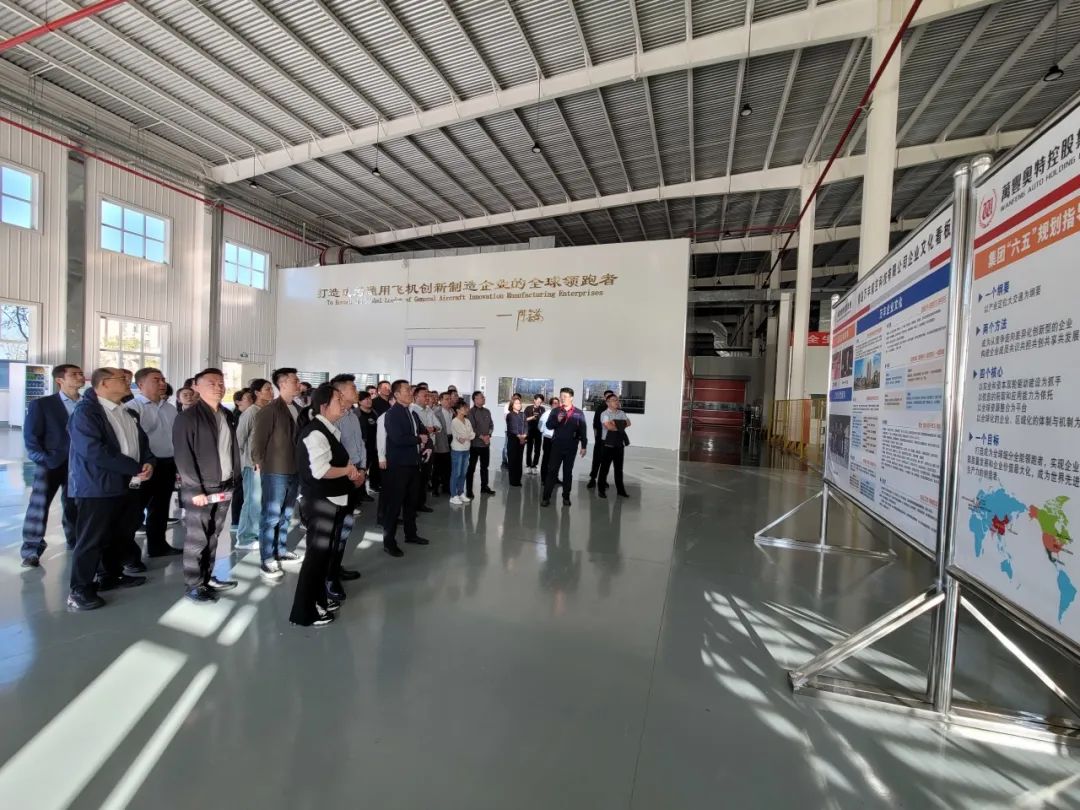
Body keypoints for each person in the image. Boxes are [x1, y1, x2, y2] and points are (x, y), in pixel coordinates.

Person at [66, 368, 154, 611]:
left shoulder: (126, 411)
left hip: (128, 484)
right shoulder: (87, 412)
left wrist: (149, 462)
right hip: (97, 487)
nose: (128, 382)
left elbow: (142, 443)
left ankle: (110, 575)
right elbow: (93, 450)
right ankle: (80, 589)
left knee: (120, 534)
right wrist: (135, 467)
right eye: (122, 379)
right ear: (104, 383)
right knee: (92, 539)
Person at [290, 383, 367, 627]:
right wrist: (348, 470)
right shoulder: (315, 433)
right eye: (338, 400)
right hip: (321, 503)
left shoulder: (328, 429)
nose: (344, 405)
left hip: (332, 501)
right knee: (315, 558)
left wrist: (351, 475)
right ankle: (305, 612)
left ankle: (319, 600)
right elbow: (321, 470)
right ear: (324, 406)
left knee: (323, 557)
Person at [173, 368, 240, 602]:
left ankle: (207, 578)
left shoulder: (225, 414)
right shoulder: (188, 417)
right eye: (211, 383)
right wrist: (194, 489)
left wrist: (234, 479)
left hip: (224, 484)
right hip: (201, 489)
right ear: (197, 387)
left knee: (213, 535)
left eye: (221, 383)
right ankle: (194, 584)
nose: (218, 387)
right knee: (197, 538)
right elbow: (183, 456)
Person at [20, 363, 83, 567]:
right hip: (51, 463)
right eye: (74, 374)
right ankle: (31, 549)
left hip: (79, 463)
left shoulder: (87, 404)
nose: (80, 377)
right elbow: (31, 437)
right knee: (39, 506)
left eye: (81, 373)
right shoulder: (43, 404)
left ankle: (75, 541)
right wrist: (43, 459)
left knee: (74, 505)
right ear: (59, 380)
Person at [251, 367, 303, 582]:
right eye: (295, 381)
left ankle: (280, 550)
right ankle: (267, 558)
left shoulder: (298, 409)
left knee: (286, 514)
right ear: (282, 384)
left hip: (295, 469)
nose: (298, 384)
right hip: (275, 471)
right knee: (271, 516)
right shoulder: (270, 410)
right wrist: (260, 464)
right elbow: (258, 442)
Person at [125, 367, 182, 558]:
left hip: (167, 464)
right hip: (143, 467)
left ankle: (158, 546)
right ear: (140, 384)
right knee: (134, 510)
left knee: (160, 507)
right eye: (156, 380)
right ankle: (127, 555)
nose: (162, 383)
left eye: (163, 379)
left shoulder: (170, 408)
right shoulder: (133, 407)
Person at [380, 379, 429, 557]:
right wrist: (418, 439)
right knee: (394, 505)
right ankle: (389, 542)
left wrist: (424, 438)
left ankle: (411, 534)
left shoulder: (411, 412)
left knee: (411, 503)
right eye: (407, 390)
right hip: (398, 466)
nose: (410, 393)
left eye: (410, 390)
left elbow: (422, 430)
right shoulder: (392, 414)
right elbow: (397, 438)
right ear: (397, 394)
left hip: (413, 464)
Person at [328, 374, 366, 590]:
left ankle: (336, 566)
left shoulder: (352, 415)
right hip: (342, 475)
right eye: (353, 387)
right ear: (340, 393)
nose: (356, 391)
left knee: (346, 525)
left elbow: (360, 444)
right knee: (335, 527)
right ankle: (329, 574)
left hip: (355, 473)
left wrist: (363, 469)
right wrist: (353, 472)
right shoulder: (334, 418)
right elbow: (336, 452)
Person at [235, 377, 272, 550]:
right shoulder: (251, 413)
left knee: (262, 501)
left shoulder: (269, 411)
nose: (271, 392)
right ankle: (245, 538)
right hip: (252, 465)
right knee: (252, 501)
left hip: (268, 464)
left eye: (271, 388)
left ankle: (257, 533)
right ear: (257, 393)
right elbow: (239, 440)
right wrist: (249, 461)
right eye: (267, 389)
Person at [541, 387, 588, 508]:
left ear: (571, 398)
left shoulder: (578, 413)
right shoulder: (555, 411)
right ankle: (546, 497)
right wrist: (557, 420)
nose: (562, 399)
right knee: (552, 471)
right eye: (561, 396)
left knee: (568, 472)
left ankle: (566, 497)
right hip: (557, 446)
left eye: (565, 396)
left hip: (571, 446)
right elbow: (549, 426)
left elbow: (583, 430)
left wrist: (584, 446)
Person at [596, 393, 631, 499]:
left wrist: (615, 423)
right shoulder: (604, 414)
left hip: (619, 444)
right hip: (607, 444)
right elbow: (609, 427)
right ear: (608, 403)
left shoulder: (621, 412)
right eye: (613, 400)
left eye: (617, 400)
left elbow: (628, 423)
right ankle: (601, 490)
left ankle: (620, 490)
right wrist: (620, 425)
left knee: (619, 469)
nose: (616, 401)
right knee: (604, 468)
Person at [228, 388, 254, 529]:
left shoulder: (250, 414)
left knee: (246, 492)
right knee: (240, 491)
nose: (251, 400)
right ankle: (236, 522)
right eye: (247, 398)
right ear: (238, 402)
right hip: (240, 460)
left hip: (246, 460)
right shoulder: (237, 417)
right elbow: (239, 441)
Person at [410, 387, 437, 513]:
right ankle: (412, 506)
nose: (428, 398)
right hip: (414, 450)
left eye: (428, 395)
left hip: (428, 447)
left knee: (425, 477)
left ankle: (421, 503)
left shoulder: (428, 410)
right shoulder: (411, 411)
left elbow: (436, 428)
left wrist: (430, 430)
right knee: (415, 480)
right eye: (425, 395)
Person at [466, 390, 495, 498]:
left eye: (483, 397)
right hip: (474, 445)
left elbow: (491, 425)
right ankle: (469, 490)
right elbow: (472, 428)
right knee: (471, 468)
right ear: (475, 399)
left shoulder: (487, 411)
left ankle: (484, 487)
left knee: (485, 466)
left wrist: (489, 435)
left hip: (485, 445)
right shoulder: (471, 412)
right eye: (481, 397)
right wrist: (482, 437)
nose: (484, 398)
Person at [587, 390, 615, 489]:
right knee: (597, 459)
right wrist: (597, 438)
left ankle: (603, 480)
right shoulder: (600, 408)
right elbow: (595, 424)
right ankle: (592, 479)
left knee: (606, 461)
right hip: (600, 439)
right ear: (604, 398)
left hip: (610, 439)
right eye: (607, 396)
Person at [449, 400, 474, 505]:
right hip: (457, 450)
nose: (467, 409)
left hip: (466, 450)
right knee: (456, 473)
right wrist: (467, 436)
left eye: (467, 407)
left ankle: (460, 492)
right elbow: (461, 438)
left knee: (463, 473)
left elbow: (472, 434)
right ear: (458, 410)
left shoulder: (467, 421)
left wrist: (466, 436)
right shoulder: (455, 421)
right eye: (464, 408)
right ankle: (453, 495)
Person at [356, 389, 379, 496]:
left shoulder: (374, 413)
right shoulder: (356, 414)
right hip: (362, 446)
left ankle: (373, 486)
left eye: (370, 398)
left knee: (373, 467)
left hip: (374, 446)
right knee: (361, 470)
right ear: (359, 401)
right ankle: (361, 493)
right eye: (366, 399)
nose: (369, 401)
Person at [431, 391, 453, 496]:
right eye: (446, 399)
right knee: (438, 467)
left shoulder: (453, 412)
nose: (449, 401)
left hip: (451, 439)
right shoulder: (436, 412)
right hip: (440, 441)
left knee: (448, 466)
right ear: (440, 400)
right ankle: (435, 489)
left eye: (450, 399)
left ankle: (446, 487)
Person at [505, 395, 527, 487]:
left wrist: (524, 436)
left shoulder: (523, 414)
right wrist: (520, 437)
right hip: (513, 440)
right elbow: (512, 428)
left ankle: (518, 479)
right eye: (516, 403)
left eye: (519, 403)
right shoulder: (510, 415)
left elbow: (526, 426)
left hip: (522, 440)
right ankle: (513, 480)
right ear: (512, 405)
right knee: (512, 460)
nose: (518, 405)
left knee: (519, 460)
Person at [539, 396, 559, 484]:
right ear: (551, 404)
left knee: (556, 460)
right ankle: (544, 479)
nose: (556, 405)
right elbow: (540, 426)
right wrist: (545, 432)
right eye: (554, 403)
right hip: (548, 439)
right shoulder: (546, 414)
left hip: (557, 440)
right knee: (546, 459)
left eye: (557, 403)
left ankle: (555, 478)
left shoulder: (560, 414)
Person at [524, 394, 546, 474]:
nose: (539, 403)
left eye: (541, 402)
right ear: (534, 400)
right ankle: (528, 465)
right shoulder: (528, 408)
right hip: (529, 431)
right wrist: (532, 417)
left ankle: (534, 465)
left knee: (537, 449)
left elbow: (543, 420)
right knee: (529, 449)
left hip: (538, 432)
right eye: (538, 401)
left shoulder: (542, 409)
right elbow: (524, 419)